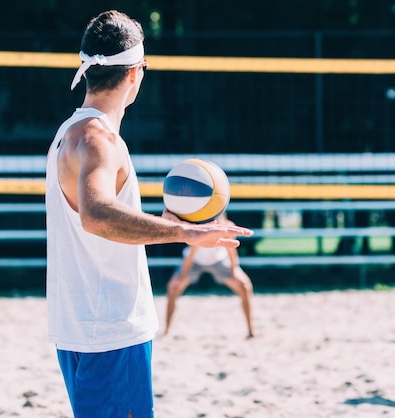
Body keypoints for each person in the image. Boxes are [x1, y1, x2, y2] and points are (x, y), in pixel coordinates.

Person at [45, 10, 253, 418]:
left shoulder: (71, 132)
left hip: (84, 326)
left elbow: (101, 217)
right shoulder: (97, 139)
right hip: (109, 330)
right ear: (137, 73)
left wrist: (165, 222)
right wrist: (185, 234)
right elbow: (97, 216)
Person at [165, 213, 255, 338]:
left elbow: (231, 250)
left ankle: (251, 331)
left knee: (244, 286)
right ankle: (167, 331)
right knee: (173, 287)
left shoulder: (227, 226)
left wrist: (234, 272)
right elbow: (191, 254)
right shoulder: (199, 222)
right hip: (194, 261)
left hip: (218, 260)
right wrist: (182, 276)